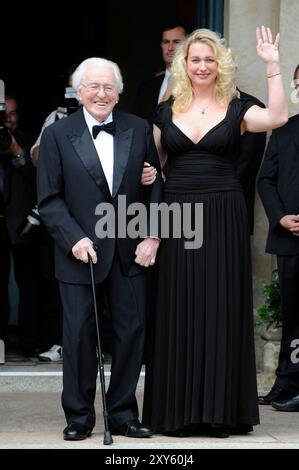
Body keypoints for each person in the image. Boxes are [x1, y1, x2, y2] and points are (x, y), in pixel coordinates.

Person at [142, 26, 288, 437]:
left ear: (218, 64)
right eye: (195, 59)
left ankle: (220, 410)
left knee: (220, 306)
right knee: (177, 308)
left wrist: (273, 67)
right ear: (183, 65)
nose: (202, 66)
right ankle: (176, 411)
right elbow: (148, 164)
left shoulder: (237, 107)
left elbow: (276, 117)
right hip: (176, 216)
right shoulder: (166, 110)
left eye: (209, 59)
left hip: (223, 213)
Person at [37, 57, 163, 441]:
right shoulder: (59, 135)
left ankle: (123, 413)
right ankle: (78, 416)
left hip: (128, 251)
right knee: (77, 338)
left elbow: (155, 186)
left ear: (119, 91)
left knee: (131, 332)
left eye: (109, 87)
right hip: (79, 252)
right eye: (93, 86)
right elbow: (49, 198)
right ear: (79, 91)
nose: (101, 94)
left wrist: (152, 235)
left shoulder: (139, 129)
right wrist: (73, 238)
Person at [257, 64, 299, 412]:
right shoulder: (284, 130)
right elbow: (265, 180)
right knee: (292, 314)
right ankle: (285, 382)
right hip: (290, 239)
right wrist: (281, 217)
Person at [0, 95, 42, 356]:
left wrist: (16, 152)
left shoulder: (29, 141)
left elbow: (41, 179)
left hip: (23, 223)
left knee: (30, 284)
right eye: (4, 113)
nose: (8, 119)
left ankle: (30, 341)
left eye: (13, 113)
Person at [133, 20, 189, 125]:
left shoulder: (197, 84)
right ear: (161, 45)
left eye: (176, 42)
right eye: (166, 42)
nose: (170, 48)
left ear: (188, 45)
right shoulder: (145, 88)